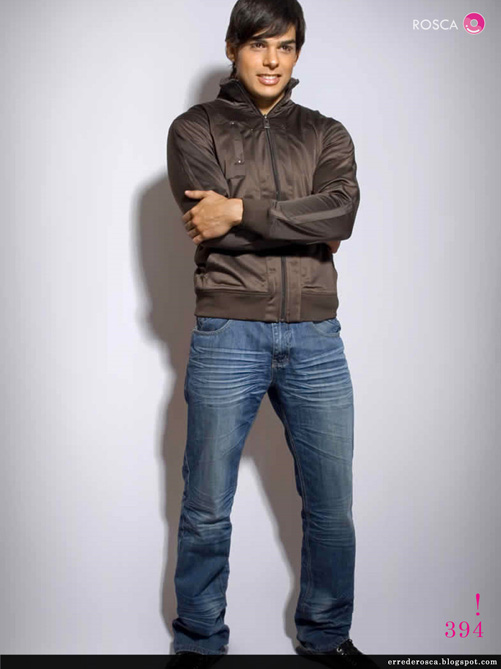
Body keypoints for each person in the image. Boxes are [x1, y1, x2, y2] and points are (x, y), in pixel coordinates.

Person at [166, 0, 371, 664]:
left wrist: (242, 211)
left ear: (297, 53)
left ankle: (326, 634)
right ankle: (199, 641)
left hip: (316, 337)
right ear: (233, 48)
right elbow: (207, 222)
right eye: (258, 45)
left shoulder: (326, 132)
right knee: (206, 505)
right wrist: (300, 223)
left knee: (332, 508)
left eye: (285, 46)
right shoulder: (194, 128)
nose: (272, 60)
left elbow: (340, 214)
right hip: (228, 330)